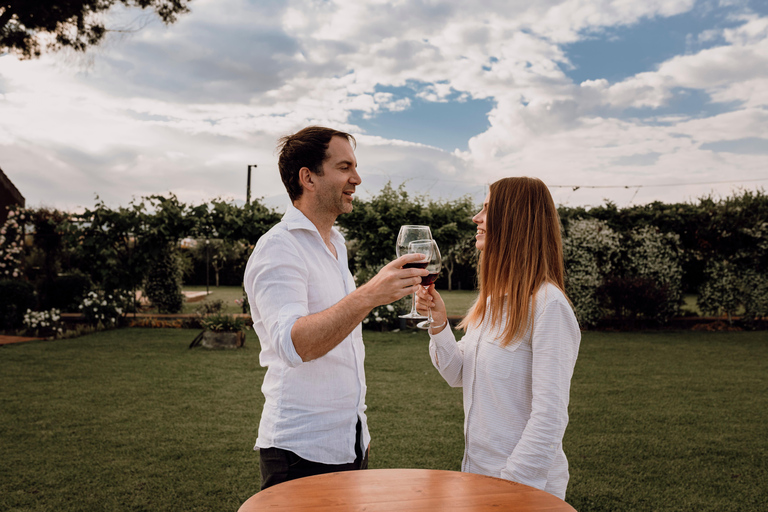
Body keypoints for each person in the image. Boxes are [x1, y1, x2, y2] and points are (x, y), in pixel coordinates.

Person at [244, 126, 428, 491]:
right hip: (300, 451)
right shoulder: (279, 247)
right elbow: (295, 344)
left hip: (347, 443)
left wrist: (358, 431)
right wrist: (369, 294)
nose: (357, 178)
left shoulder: (336, 244)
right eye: (345, 167)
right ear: (308, 178)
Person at [415, 176, 581, 500]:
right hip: (477, 479)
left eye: (487, 209)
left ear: (514, 220)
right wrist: (438, 321)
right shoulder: (492, 302)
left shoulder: (549, 306)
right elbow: (457, 374)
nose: (476, 218)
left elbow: (549, 418)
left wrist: (510, 488)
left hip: (521, 491)